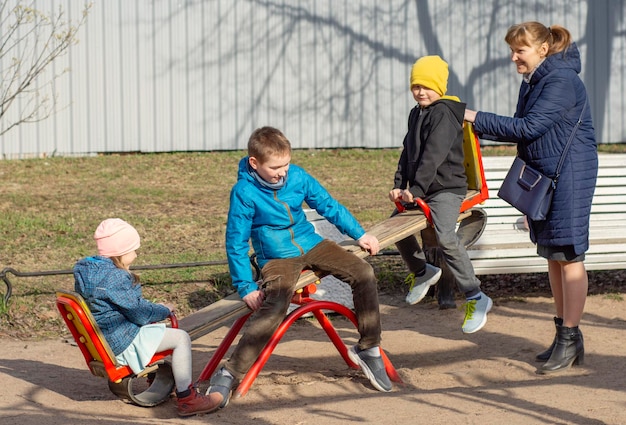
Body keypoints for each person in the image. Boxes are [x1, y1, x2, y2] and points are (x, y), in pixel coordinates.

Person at [207, 126, 392, 408]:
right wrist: (245, 286)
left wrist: (360, 233)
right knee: (275, 303)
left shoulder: (297, 176)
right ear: (255, 163)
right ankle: (230, 371)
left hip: (311, 243)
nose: (282, 172)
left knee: (363, 272)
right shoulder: (244, 191)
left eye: (286, 164)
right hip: (276, 256)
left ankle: (368, 348)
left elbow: (328, 205)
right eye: (275, 167)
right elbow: (236, 240)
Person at [464, 22, 597, 374]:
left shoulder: (561, 81)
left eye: (519, 50)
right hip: (550, 174)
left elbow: (527, 128)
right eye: (512, 50)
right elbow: (525, 129)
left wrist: (472, 116)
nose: (513, 57)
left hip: (568, 175)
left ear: (541, 49)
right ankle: (566, 335)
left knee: (569, 254)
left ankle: (569, 337)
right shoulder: (537, 80)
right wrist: (475, 124)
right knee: (553, 254)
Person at [73, 218, 221, 416]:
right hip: (121, 341)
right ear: (121, 251)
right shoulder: (115, 277)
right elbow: (140, 313)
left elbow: (125, 306)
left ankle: (157, 379)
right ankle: (188, 398)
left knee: (158, 330)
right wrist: (163, 309)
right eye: (133, 250)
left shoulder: (88, 273)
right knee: (180, 338)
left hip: (103, 340)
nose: (136, 254)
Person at [389, 55, 493, 334]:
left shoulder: (445, 112)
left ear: (440, 86)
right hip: (422, 188)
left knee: (446, 237)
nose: (420, 91)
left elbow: (433, 156)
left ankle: (476, 296)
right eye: (416, 86)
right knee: (394, 227)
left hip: (446, 188)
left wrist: (417, 190)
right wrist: (400, 185)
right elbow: (408, 151)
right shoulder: (417, 112)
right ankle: (423, 271)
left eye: (427, 86)